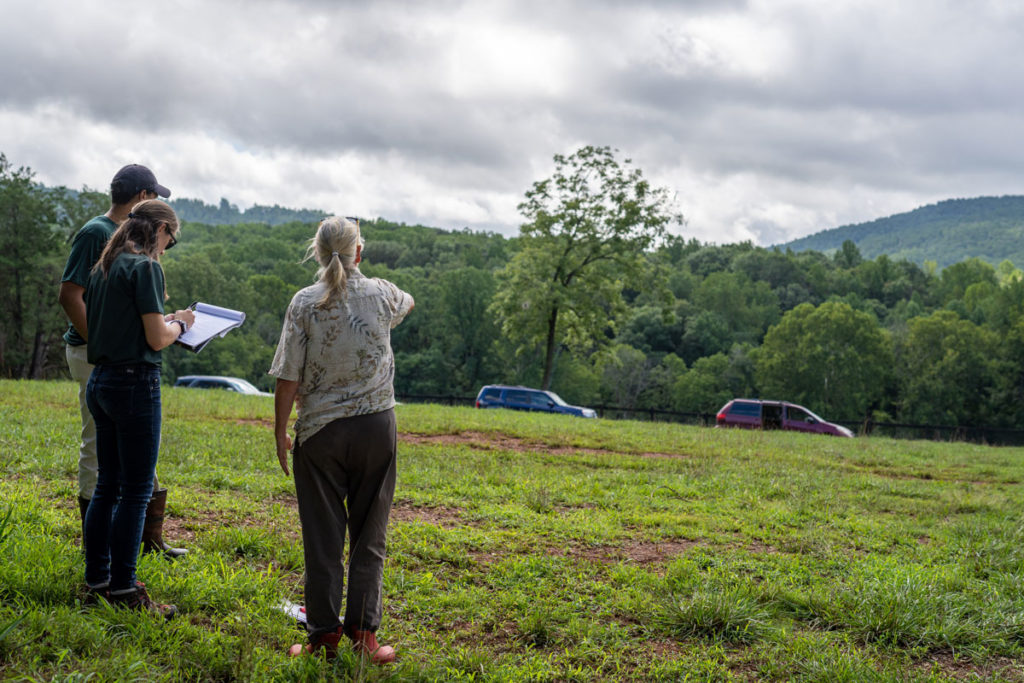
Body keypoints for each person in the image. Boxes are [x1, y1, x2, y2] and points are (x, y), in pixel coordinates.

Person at [270, 216, 414, 664]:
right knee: (370, 534)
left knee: (322, 538)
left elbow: (288, 375)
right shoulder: (385, 294)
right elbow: (408, 302)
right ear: (359, 252)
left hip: (320, 433)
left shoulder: (303, 303)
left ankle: (321, 640)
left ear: (316, 252)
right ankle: (365, 639)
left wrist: (279, 431)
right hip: (376, 427)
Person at [59, 164, 187, 559]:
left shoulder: (122, 250)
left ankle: (141, 541)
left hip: (117, 359)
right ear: (145, 200)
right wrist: (105, 344)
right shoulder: (98, 234)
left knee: (127, 461)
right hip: (105, 358)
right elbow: (69, 294)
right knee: (102, 455)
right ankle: (107, 553)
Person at [82, 199, 195, 617]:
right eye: (171, 238)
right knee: (136, 491)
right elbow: (155, 339)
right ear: (160, 230)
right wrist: (181, 323)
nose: (168, 246)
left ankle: (98, 581)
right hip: (135, 384)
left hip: (102, 381)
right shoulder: (146, 268)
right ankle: (126, 590)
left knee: (106, 485)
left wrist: (164, 320)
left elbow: (123, 323)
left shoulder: (105, 267)